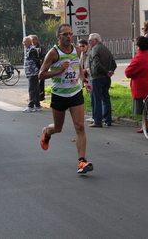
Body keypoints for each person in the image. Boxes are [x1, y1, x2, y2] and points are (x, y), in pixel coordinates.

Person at [38, 23, 94, 174]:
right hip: (59, 94)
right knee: (58, 128)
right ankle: (47, 133)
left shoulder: (77, 49)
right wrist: (59, 70)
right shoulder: (53, 53)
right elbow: (41, 75)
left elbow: (78, 68)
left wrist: (85, 81)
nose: (69, 36)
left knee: (80, 126)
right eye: (65, 34)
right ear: (58, 37)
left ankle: (81, 162)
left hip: (75, 93)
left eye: (70, 34)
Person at [124, 36, 148, 133]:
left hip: (141, 87)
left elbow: (128, 73)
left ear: (138, 46)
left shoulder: (138, 58)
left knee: (143, 109)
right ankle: (147, 125)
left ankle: (145, 126)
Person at [88, 33, 117, 127]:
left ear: (95, 40)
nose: (88, 42)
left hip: (97, 77)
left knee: (96, 99)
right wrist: (110, 71)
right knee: (105, 98)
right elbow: (114, 63)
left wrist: (105, 71)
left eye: (90, 40)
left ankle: (97, 121)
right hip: (106, 78)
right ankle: (107, 120)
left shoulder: (95, 49)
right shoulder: (105, 49)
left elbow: (96, 63)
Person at [22, 36, 41, 113]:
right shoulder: (29, 49)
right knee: (35, 89)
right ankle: (37, 105)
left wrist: (39, 70)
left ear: (30, 42)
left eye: (26, 42)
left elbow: (37, 61)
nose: (25, 43)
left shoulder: (32, 50)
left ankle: (31, 106)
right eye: (23, 42)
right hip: (31, 72)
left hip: (33, 72)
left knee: (32, 89)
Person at [77, 38, 93, 123]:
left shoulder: (90, 53)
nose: (81, 48)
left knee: (93, 97)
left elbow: (92, 66)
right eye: (80, 46)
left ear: (87, 45)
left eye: (83, 46)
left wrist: (86, 70)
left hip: (90, 76)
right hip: (84, 77)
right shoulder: (81, 54)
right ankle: (94, 115)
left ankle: (95, 115)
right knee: (90, 97)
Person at [29, 35, 47, 101]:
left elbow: (44, 57)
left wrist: (40, 62)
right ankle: (35, 96)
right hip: (33, 68)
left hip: (40, 66)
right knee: (34, 82)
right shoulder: (31, 47)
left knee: (41, 81)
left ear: (37, 40)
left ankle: (41, 96)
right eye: (31, 40)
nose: (32, 41)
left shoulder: (41, 47)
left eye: (33, 40)